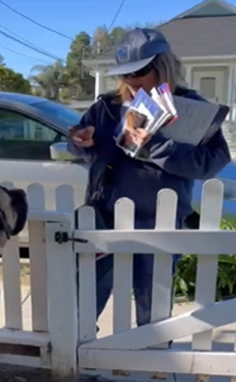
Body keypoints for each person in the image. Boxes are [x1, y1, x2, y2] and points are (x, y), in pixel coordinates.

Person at [67, 28, 231, 328]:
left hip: (161, 223)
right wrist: (79, 141)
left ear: (163, 65)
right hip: (105, 219)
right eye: (125, 73)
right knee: (85, 300)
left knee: (152, 310)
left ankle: (153, 365)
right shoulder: (105, 106)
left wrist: (158, 147)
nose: (132, 80)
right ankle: (78, 364)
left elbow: (211, 163)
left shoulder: (192, 108)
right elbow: (84, 152)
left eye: (140, 71)